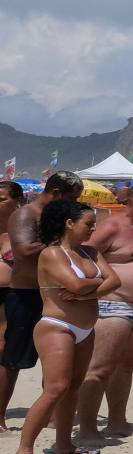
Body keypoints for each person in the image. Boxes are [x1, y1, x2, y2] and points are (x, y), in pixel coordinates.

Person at [9, 198, 117, 454]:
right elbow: (76, 285)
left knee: (72, 390)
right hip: (57, 327)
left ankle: (64, 445)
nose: (94, 229)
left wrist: (86, 292)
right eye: (89, 224)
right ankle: (23, 451)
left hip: (85, 328)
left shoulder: (91, 252)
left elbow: (115, 280)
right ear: (69, 223)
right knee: (55, 388)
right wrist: (94, 286)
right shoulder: (52, 253)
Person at [75, 178, 133, 444]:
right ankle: (88, 428)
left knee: (126, 367)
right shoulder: (112, 226)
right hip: (111, 303)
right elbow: (82, 257)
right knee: (99, 368)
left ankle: (116, 420)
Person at [0, 180, 28, 430]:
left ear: (17, 200)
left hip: (12, 294)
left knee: (5, 352)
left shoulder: (25, 228)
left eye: (2, 199)